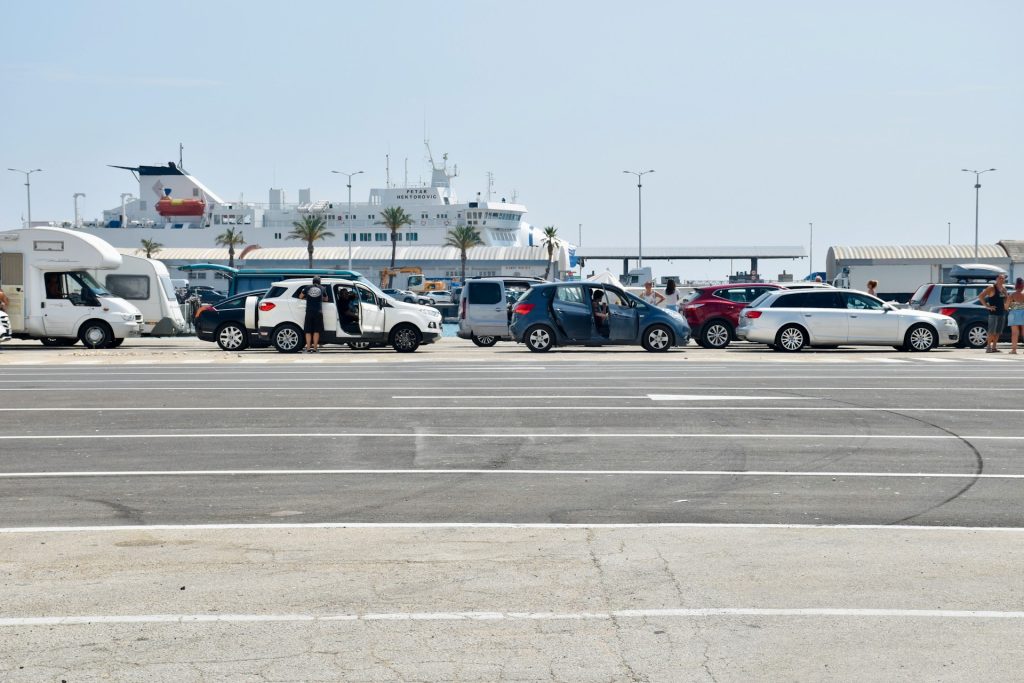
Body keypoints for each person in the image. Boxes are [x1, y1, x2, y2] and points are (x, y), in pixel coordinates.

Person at [979, 273, 1008, 353]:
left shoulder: (1004, 288)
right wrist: (987, 306)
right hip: (993, 313)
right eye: (1000, 278)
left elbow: (1006, 300)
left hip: (1002, 312)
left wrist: (1006, 300)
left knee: (998, 331)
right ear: (996, 279)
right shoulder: (991, 287)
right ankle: (988, 347)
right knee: (991, 331)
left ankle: (994, 347)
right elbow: (981, 296)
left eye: (1003, 278)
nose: (1002, 280)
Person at [299, 276, 328, 352]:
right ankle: (315, 348)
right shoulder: (322, 288)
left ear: (313, 281)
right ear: (320, 282)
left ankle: (308, 348)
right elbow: (326, 299)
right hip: (318, 312)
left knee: (308, 330)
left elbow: (300, 296)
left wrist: (307, 297)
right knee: (316, 330)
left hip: (309, 311)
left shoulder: (307, 288)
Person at [1007, 277, 1024, 355]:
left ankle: (1014, 350)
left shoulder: (1012, 295)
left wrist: (1010, 307)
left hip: (1014, 313)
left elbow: (1006, 307)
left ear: (1016, 285)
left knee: (1014, 333)